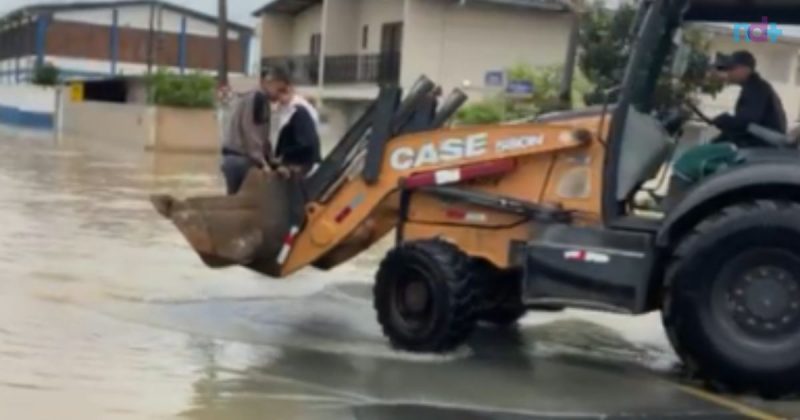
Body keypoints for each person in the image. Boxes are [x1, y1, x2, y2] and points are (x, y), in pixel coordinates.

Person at [669, 50, 787, 203]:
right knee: (707, 150)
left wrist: (724, 120)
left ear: (745, 69)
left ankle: (676, 205)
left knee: (689, 160)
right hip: (758, 145)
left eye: (731, 69)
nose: (727, 73)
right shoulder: (757, 88)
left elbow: (745, 122)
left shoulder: (756, 89)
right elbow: (746, 125)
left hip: (756, 148)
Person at [219, 69, 275, 195]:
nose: (277, 92)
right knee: (247, 203)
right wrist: (263, 163)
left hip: (231, 157)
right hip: (242, 159)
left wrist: (270, 159)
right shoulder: (258, 99)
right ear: (264, 82)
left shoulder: (246, 97)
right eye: (277, 87)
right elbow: (252, 132)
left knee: (234, 201)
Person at [269, 68, 322, 175]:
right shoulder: (287, 109)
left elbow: (305, 142)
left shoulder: (298, 110)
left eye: (280, 93)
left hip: (301, 164)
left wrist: (284, 156)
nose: (279, 99)